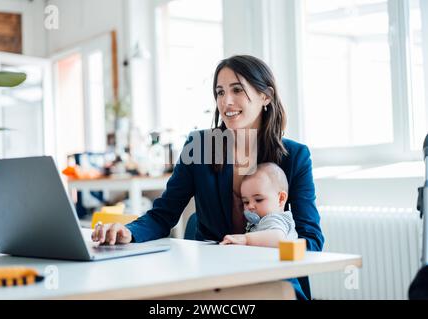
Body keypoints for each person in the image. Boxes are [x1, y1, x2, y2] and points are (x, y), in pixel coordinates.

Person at [91, 55, 324, 300]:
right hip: (211, 276)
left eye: (237, 89)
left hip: (271, 276)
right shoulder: (200, 147)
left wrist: (263, 246)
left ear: (265, 96)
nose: (226, 101)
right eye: (220, 92)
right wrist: (128, 231)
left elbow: (312, 240)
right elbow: (163, 215)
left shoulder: (295, 156)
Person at [219, 162, 298, 247]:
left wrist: (245, 239)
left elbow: (278, 238)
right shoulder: (260, 221)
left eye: (258, 200)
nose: (250, 206)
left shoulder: (274, 218)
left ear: (281, 199)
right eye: (246, 202)